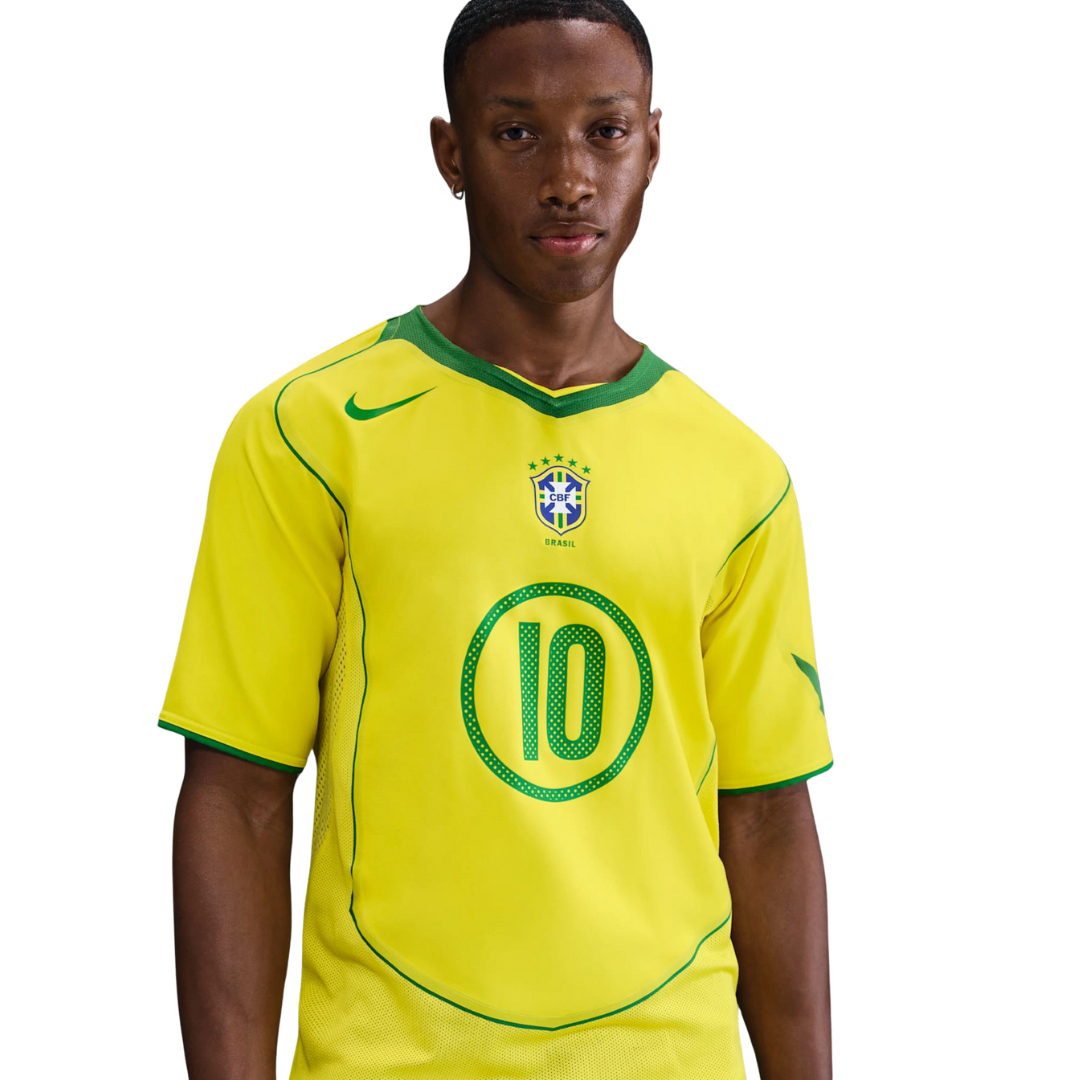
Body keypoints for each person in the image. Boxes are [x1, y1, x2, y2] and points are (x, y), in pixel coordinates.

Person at [160, 1, 835, 1077]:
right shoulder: (309, 434)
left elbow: (763, 819)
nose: (569, 178)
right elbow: (237, 792)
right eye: (518, 132)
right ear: (451, 153)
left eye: (605, 131)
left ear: (653, 145)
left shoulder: (739, 474)